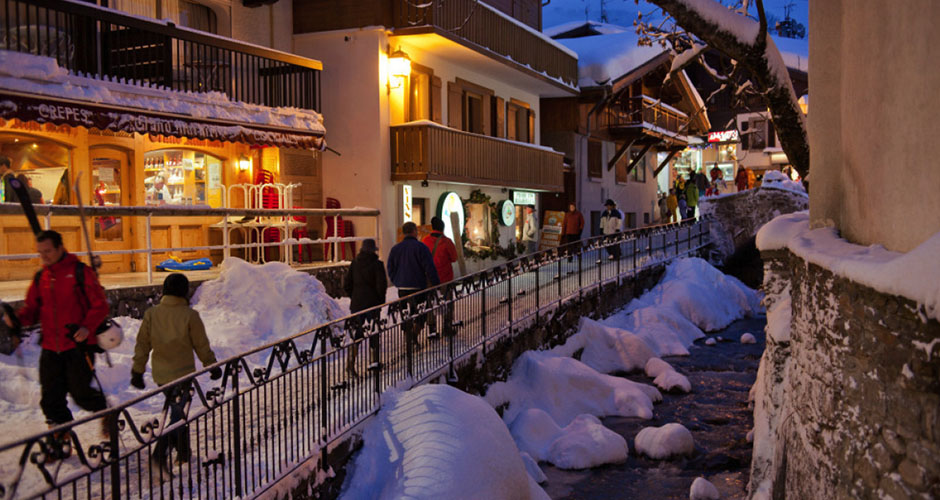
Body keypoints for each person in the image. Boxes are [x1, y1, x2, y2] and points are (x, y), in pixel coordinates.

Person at [2, 230, 111, 441]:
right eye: (40, 252)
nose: (44, 256)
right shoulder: (41, 277)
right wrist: (16, 319)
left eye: (48, 251)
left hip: (78, 346)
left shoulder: (80, 272)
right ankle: (60, 437)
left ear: (60, 248)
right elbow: (32, 310)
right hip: (51, 347)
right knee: (51, 399)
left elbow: (100, 305)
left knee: (81, 394)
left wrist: (87, 327)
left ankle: (106, 412)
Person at [131, 273, 220, 474]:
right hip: (183, 375)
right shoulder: (190, 315)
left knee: (178, 411)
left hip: (161, 376)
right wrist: (211, 365)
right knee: (178, 415)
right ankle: (159, 455)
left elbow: (142, 345)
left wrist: (137, 371)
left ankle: (184, 453)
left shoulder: (152, 314)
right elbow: (201, 345)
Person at [387, 222, 440, 346]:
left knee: (406, 313)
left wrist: (397, 280)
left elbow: (390, 268)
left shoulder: (395, 249)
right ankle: (413, 335)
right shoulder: (421, 247)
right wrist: (435, 283)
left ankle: (408, 335)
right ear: (414, 232)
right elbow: (429, 267)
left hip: (402, 287)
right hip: (418, 286)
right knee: (421, 313)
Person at [343, 238, 388, 376]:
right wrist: (380, 301)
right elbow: (382, 285)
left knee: (357, 333)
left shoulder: (354, 263)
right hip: (372, 303)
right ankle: (374, 363)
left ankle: (350, 364)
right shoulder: (377, 264)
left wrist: (354, 297)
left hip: (357, 304)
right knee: (373, 332)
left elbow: (347, 284)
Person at [422, 217, 458, 337]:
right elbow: (454, 258)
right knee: (447, 301)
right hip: (445, 278)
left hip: (429, 279)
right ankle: (447, 326)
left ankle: (432, 329)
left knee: (430, 302)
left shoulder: (425, 241)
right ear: (443, 228)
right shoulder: (447, 242)